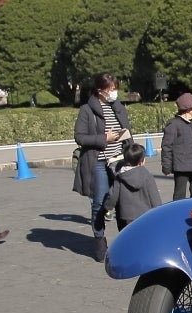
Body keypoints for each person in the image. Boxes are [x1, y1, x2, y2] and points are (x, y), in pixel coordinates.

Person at [73, 72, 133, 262]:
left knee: (124, 201)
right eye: (110, 89)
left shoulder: (118, 107)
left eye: (115, 88)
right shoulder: (87, 110)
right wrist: (103, 139)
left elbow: (128, 131)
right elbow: (80, 137)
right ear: (100, 91)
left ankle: (127, 242)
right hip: (99, 161)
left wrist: (134, 154)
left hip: (119, 159)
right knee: (100, 202)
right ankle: (100, 243)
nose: (114, 92)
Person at [96, 143, 161, 232]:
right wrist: (159, 213)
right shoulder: (146, 176)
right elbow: (154, 197)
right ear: (142, 161)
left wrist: (106, 208)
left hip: (127, 216)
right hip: (146, 214)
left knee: (131, 236)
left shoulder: (120, 176)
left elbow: (112, 196)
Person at [162, 92, 192, 200]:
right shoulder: (173, 124)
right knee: (179, 195)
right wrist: (166, 166)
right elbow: (166, 146)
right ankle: (177, 214)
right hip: (181, 166)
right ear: (187, 107)